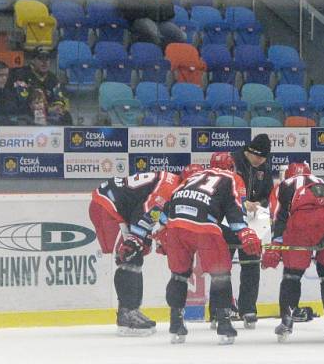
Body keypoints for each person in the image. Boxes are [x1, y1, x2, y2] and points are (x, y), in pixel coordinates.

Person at [155, 155, 262, 344]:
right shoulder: (232, 179)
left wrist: (161, 231)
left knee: (178, 275)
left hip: (176, 223)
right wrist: (245, 233)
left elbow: (169, 204)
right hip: (204, 225)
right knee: (220, 275)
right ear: (232, 167)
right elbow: (235, 211)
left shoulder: (194, 176)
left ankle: (176, 322)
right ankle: (223, 324)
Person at [262, 163, 324, 342]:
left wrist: (276, 243)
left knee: (292, 275)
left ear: (287, 175)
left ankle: (287, 321)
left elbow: (279, 216)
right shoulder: (322, 181)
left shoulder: (283, 186)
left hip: (303, 221)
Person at [89, 170, 182, 335]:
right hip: (107, 206)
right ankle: (126, 316)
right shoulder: (169, 187)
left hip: (116, 207)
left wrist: (149, 237)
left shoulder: (173, 184)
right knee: (129, 256)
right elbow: (149, 210)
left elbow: (156, 213)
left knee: (135, 255)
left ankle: (131, 310)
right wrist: (137, 238)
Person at [220, 134, 273, 328]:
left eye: (264, 159)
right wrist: (242, 202)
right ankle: (221, 308)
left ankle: (248, 308)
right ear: (250, 152)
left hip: (253, 223)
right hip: (227, 221)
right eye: (258, 157)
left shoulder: (264, 168)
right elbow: (220, 191)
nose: (261, 162)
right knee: (222, 267)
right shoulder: (231, 162)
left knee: (251, 264)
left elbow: (269, 195)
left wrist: (259, 204)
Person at [6, 47, 72, 125]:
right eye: (40, 59)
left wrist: (58, 106)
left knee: (66, 116)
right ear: (32, 61)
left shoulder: (52, 78)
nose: (44, 63)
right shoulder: (21, 75)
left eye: (47, 59)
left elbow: (58, 97)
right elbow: (23, 102)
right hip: (25, 114)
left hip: (47, 115)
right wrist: (47, 109)